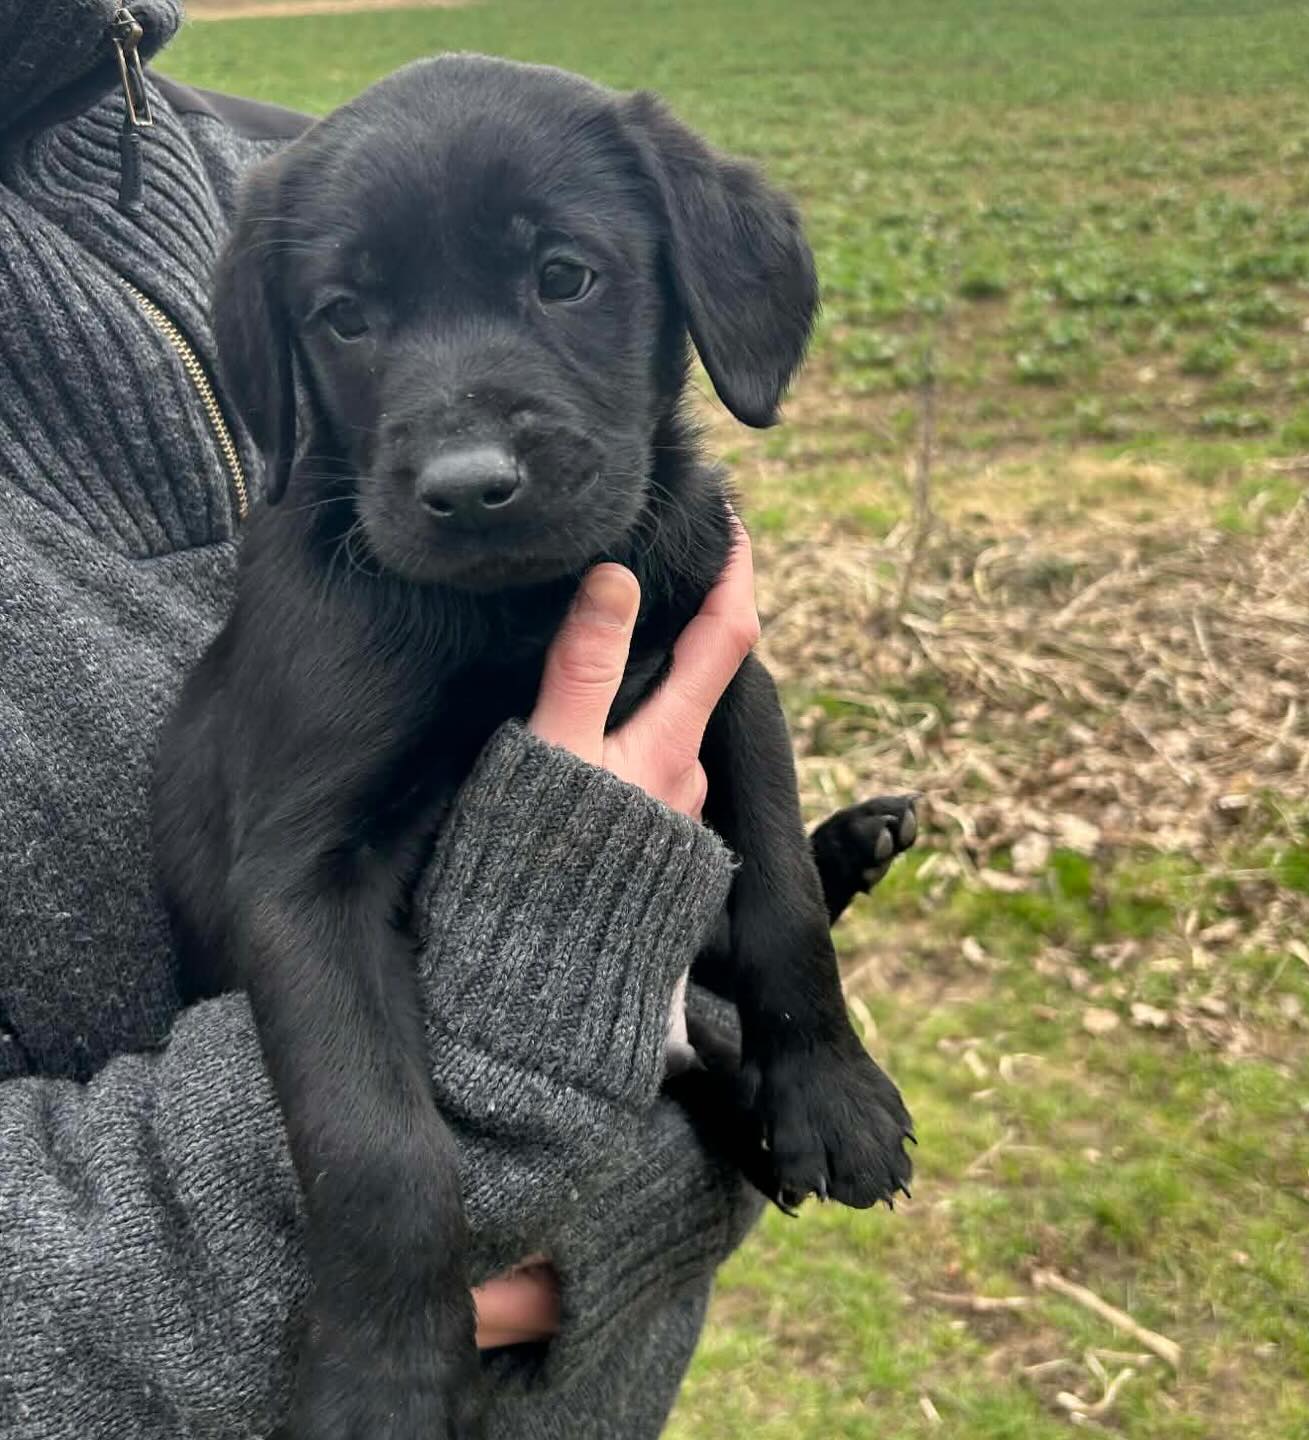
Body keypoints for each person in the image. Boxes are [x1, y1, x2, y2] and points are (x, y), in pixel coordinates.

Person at [0, 5, 896, 1437]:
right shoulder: (295, 283)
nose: (469, 452)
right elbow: (311, 879)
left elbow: (710, 708)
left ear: (691, 287)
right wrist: (397, 1299)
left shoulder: (281, 175)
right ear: (288, 357)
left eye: (561, 279)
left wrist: (790, 1025)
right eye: (356, 324)